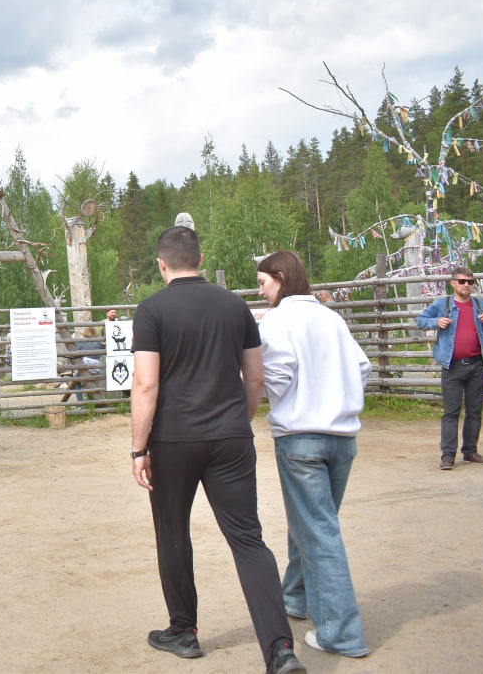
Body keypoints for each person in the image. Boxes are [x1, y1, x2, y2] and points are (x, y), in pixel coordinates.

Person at [130, 226, 305, 674]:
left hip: (173, 440)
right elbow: (256, 376)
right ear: (201, 258)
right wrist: (239, 422)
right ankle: (280, 648)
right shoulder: (236, 305)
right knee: (248, 540)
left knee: (172, 533)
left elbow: (146, 384)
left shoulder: (151, 310)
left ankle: (184, 632)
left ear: (161, 263)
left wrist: (137, 448)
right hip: (230, 436)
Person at [256, 250, 371, 659]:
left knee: (318, 531)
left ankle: (342, 633)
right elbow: (362, 366)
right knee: (313, 523)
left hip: (301, 437)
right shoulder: (331, 317)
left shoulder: (278, 321)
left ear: (281, 279)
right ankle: (296, 597)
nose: (261, 290)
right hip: (342, 437)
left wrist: (264, 392)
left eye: (263, 282)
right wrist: (338, 396)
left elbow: (279, 375)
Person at [416, 266, 483, 469]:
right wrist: (437, 321)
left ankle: (470, 451)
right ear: (453, 283)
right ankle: (448, 455)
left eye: (470, 282)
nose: (467, 285)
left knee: (474, 410)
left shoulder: (480, 305)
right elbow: (420, 320)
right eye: (462, 281)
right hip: (452, 366)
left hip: (477, 365)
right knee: (451, 412)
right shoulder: (442, 305)